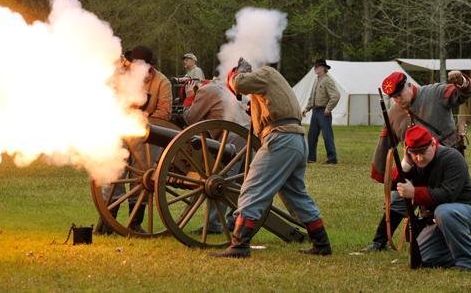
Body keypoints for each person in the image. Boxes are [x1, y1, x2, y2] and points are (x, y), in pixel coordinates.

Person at [210, 64, 331, 258]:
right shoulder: (274, 83)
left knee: (252, 188)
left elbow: (238, 83)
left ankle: (239, 245)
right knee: (296, 196)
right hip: (295, 140)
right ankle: (322, 243)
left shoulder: (265, 72)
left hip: (280, 139)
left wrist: (236, 73)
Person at [362, 70, 471, 252]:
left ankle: (452, 237)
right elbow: (386, 141)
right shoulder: (393, 113)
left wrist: (461, 81)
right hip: (417, 167)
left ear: (408, 85)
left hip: (447, 163)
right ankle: (379, 241)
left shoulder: (434, 93)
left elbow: (462, 95)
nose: (398, 99)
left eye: (400, 94)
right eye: (394, 97)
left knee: (446, 202)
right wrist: (381, 173)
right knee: (399, 198)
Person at [98, 45, 172, 234]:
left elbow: (164, 111)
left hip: (147, 136)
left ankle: (135, 222)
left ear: (149, 67)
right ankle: (108, 221)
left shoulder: (162, 82)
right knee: (114, 175)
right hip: (121, 131)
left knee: (142, 178)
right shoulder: (122, 77)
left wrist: (144, 117)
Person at [395, 124, 471, 270]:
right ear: (408, 152)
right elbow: (392, 186)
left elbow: (447, 194)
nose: (419, 158)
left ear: (433, 144)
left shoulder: (453, 158)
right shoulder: (412, 163)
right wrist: (405, 165)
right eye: (414, 154)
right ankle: (468, 247)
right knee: (424, 258)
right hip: (439, 220)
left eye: (423, 152)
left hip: (467, 211)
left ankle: (467, 263)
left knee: (444, 212)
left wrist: (414, 193)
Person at [182, 79, 250, 234]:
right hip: (246, 136)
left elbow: (190, 118)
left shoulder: (206, 91)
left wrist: (189, 97)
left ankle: (213, 223)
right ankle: (235, 220)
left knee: (221, 182)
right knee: (239, 182)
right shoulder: (221, 88)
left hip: (232, 140)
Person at [302, 59, 340, 164]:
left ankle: (332, 159)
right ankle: (311, 157)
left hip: (324, 112)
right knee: (312, 136)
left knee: (327, 136)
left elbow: (336, 96)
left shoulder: (327, 80)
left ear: (323, 68)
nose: (315, 68)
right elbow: (312, 97)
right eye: (315, 66)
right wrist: (307, 108)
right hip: (315, 111)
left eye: (317, 67)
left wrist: (328, 108)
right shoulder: (317, 80)